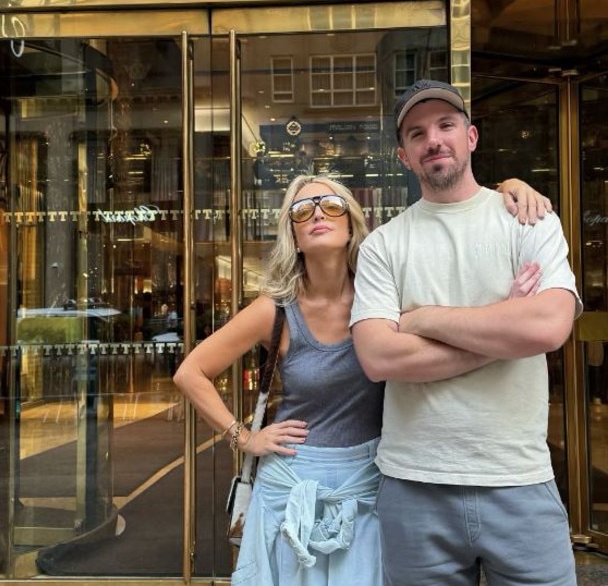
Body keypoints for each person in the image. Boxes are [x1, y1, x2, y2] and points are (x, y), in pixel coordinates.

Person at [174, 168, 549, 586]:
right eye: (303, 210)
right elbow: (191, 372)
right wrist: (243, 438)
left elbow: (448, 210)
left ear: (352, 224)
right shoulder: (275, 310)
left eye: (331, 205)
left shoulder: (385, 292)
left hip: (369, 478)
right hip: (292, 483)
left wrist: (508, 188)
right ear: (292, 235)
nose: (318, 214)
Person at [350, 79, 583, 586]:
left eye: (445, 125)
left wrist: (424, 319)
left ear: (471, 137)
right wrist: (503, 330)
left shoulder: (530, 220)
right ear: (404, 156)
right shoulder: (382, 246)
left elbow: (547, 325)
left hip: (518, 479)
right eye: (417, 133)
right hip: (415, 484)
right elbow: (379, 358)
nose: (433, 139)